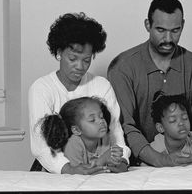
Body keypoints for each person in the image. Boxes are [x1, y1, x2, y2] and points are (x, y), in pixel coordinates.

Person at [107, 0, 192, 167]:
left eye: (175, 30)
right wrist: (159, 159)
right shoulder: (122, 67)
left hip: (189, 156)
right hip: (139, 161)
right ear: (147, 25)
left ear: (183, 25)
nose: (168, 39)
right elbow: (124, 125)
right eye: (160, 30)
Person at [29, 12, 131, 174]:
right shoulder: (42, 87)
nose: (80, 66)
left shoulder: (101, 86)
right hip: (55, 169)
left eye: (86, 60)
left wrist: (121, 160)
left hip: (98, 165)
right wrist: (70, 169)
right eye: (73, 58)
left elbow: (116, 134)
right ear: (59, 52)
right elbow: (41, 146)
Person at [39, 96, 128, 173]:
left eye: (101, 116)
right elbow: (79, 173)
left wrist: (118, 162)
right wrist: (103, 159)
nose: (101, 121)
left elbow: (114, 168)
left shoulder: (106, 138)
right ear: (76, 130)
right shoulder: (73, 144)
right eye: (92, 120)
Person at [149, 91, 192, 164]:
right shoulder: (155, 148)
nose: (181, 123)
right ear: (160, 127)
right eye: (173, 120)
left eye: (185, 118)